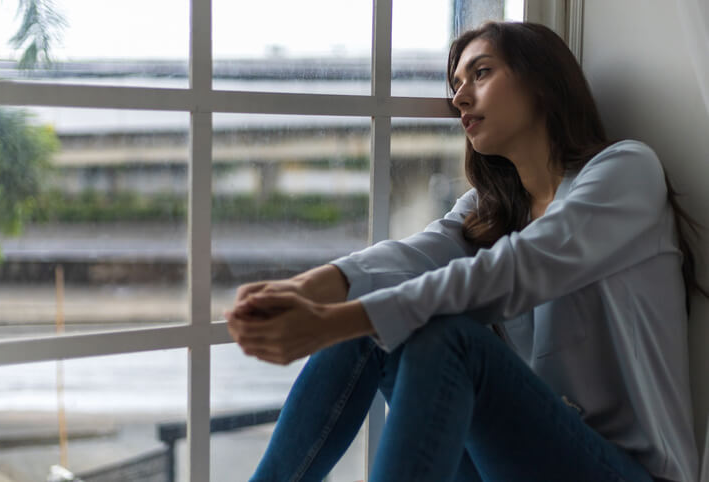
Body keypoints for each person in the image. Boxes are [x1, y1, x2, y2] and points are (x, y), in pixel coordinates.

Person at [226, 21, 700, 481]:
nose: (459, 98)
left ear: (542, 80)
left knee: (442, 336)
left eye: (481, 72)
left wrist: (330, 322)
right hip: (515, 460)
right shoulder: (487, 210)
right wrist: (302, 290)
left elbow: (520, 268)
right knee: (373, 312)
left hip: (625, 471)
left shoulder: (626, 171)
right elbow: (409, 257)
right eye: (456, 84)